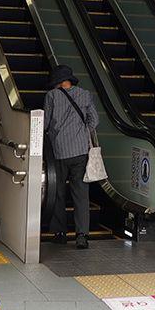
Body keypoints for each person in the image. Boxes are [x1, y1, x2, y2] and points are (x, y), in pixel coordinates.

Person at [43, 64, 99, 248]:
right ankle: (82, 235)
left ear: (57, 82)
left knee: (58, 193)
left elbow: (44, 123)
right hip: (80, 152)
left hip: (59, 152)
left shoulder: (51, 96)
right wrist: (82, 134)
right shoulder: (85, 94)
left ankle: (60, 233)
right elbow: (94, 120)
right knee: (81, 195)